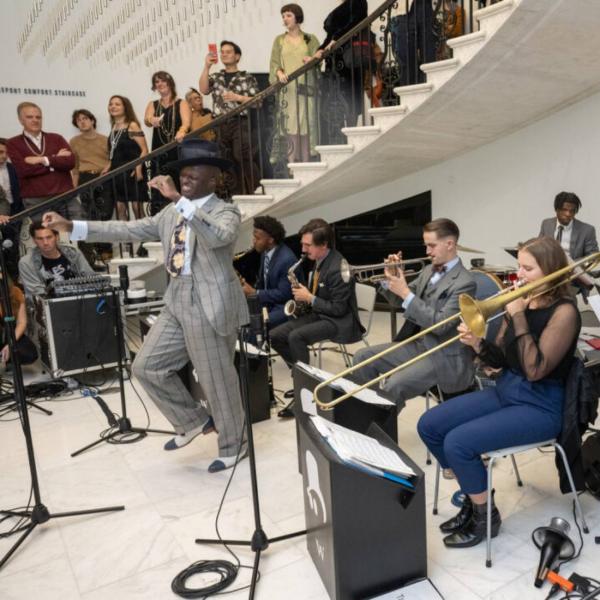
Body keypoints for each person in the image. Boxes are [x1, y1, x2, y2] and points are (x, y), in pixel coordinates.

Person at [41, 139, 249, 473]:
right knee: (146, 366)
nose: (185, 180)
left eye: (194, 176)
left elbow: (219, 237)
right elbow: (126, 227)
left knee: (216, 380)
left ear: (213, 179)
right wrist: (71, 227)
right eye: (183, 175)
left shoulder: (225, 211)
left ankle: (234, 444)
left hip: (208, 302)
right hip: (176, 297)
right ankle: (192, 421)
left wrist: (178, 200)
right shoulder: (171, 213)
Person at [418, 236, 581, 548]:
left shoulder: (565, 312)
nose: (519, 274)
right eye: (518, 265)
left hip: (541, 405)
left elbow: (535, 368)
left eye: (527, 268)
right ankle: (474, 492)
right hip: (508, 390)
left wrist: (518, 313)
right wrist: (477, 344)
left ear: (549, 269)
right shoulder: (522, 301)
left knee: (458, 443)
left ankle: (484, 516)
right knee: (430, 425)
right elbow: (502, 361)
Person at [351, 218, 476, 409]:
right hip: (421, 344)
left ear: (449, 244)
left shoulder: (465, 282)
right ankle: (367, 412)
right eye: (426, 246)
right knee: (362, 358)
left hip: (443, 355)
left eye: (431, 246)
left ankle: (378, 428)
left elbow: (441, 325)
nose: (427, 252)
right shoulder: (428, 270)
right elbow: (400, 303)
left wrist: (405, 292)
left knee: (394, 385)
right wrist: (390, 280)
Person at [270, 218, 363, 416]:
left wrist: (310, 298)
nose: (303, 249)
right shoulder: (319, 261)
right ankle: (300, 378)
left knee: (296, 337)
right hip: (321, 314)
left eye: (308, 245)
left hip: (339, 321)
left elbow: (339, 309)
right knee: (276, 335)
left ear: (323, 245)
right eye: (302, 244)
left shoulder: (339, 267)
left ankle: (306, 393)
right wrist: (305, 298)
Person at [199, 40, 260, 195]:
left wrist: (237, 97)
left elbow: (258, 102)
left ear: (237, 56)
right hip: (220, 123)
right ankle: (237, 196)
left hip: (240, 121)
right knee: (227, 161)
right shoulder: (216, 76)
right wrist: (206, 66)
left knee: (242, 155)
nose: (224, 54)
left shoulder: (246, 77)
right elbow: (203, 89)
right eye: (222, 52)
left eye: (228, 51)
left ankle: (256, 190)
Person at [6, 102, 85, 220]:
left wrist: (43, 159)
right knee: (44, 236)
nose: (35, 120)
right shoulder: (13, 143)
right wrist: (55, 160)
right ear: (21, 120)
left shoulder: (56, 138)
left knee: (80, 230)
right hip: (36, 199)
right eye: (29, 117)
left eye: (38, 117)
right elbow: (24, 170)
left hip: (65, 195)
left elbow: (70, 162)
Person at [269, 4, 320, 164]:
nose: (285, 19)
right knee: (290, 126)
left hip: (305, 87)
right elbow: (274, 62)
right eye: (283, 16)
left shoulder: (310, 39)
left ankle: (305, 162)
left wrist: (313, 60)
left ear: (297, 17)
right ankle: (292, 165)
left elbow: (319, 60)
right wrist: (279, 73)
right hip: (288, 89)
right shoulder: (279, 40)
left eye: (288, 15)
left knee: (305, 126)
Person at [315, 0, 369, 136]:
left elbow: (356, 23)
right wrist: (319, 50)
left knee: (351, 100)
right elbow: (330, 37)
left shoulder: (359, 2)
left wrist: (337, 39)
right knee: (336, 102)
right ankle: (342, 139)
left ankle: (352, 137)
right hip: (335, 63)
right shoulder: (341, 8)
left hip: (350, 60)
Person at [69, 108, 113, 264]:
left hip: (103, 176)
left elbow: (112, 159)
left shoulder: (105, 139)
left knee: (105, 212)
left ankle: (106, 249)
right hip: (85, 178)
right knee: (89, 214)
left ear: (92, 120)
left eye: (85, 118)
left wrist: (108, 167)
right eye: (79, 120)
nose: (82, 121)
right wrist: (74, 187)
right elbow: (74, 166)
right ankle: (96, 251)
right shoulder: (74, 142)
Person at [144, 71, 191, 214]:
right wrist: (152, 120)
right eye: (157, 82)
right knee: (160, 185)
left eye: (162, 81)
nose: (160, 84)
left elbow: (186, 123)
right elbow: (147, 120)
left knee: (177, 183)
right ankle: (161, 217)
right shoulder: (153, 104)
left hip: (177, 149)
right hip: (159, 151)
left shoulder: (181, 103)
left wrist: (182, 130)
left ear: (170, 83)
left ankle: (181, 216)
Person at [240, 215, 297, 330]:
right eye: (254, 237)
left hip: (284, 306)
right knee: (238, 314)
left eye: (258, 238)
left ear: (270, 240)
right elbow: (263, 283)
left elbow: (285, 294)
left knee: (254, 325)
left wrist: (255, 293)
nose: (254, 241)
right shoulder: (265, 252)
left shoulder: (286, 260)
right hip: (269, 303)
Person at [18, 222, 94, 298]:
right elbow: (39, 296)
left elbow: (91, 279)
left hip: (80, 300)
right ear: (34, 240)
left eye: (49, 237)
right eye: (40, 239)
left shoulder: (73, 253)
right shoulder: (27, 263)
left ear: (57, 237)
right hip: (51, 306)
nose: (45, 242)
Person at [107, 95, 149, 222]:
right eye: (111, 104)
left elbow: (145, 150)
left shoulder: (132, 125)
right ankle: (126, 241)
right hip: (117, 173)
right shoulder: (114, 126)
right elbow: (114, 150)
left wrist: (138, 167)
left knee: (137, 207)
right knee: (120, 208)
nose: (113, 107)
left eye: (117, 104)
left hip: (133, 172)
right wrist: (109, 165)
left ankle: (146, 239)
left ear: (125, 107)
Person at [538, 191, 598, 260]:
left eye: (572, 211)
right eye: (564, 210)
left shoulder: (587, 230)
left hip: (574, 269)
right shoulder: (546, 224)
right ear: (556, 209)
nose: (568, 214)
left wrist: (573, 266)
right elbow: (539, 249)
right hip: (549, 269)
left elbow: (593, 256)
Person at [0, 138, 24, 279]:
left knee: (13, 247)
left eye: (6, 152)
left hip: (15, 212)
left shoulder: (13, 168)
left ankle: (14, 280)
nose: (4, 155)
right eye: (1, 152)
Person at [0, 278, 38, 366]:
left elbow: (22, 322)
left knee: (30, 355)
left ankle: (7, 358)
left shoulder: (15, 292)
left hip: (10, 331)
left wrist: (10, 344)